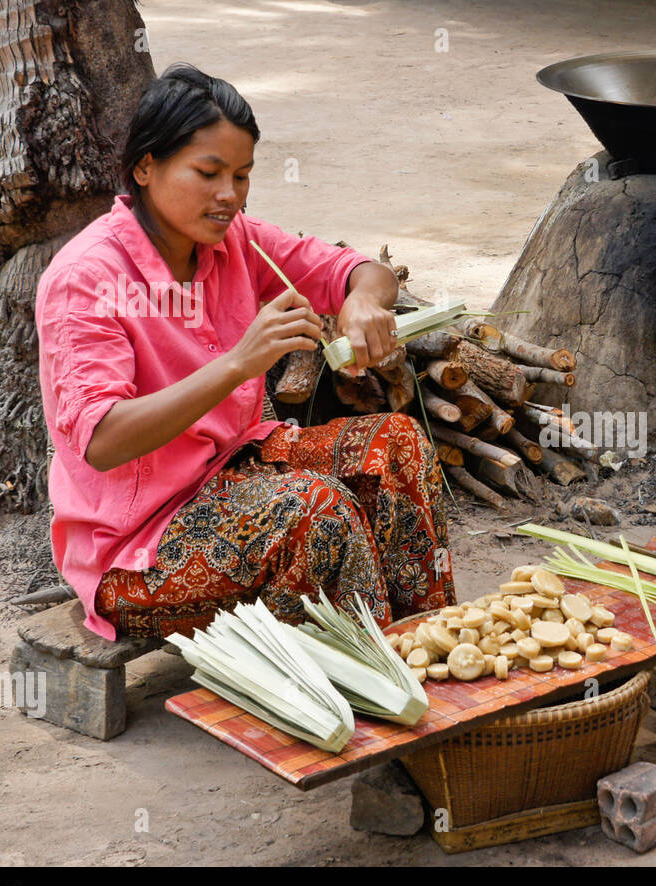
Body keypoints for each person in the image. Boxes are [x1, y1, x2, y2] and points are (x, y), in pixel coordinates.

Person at [35, 63, 455, 642]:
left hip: (236, 468)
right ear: (145, 167)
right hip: (138, 548)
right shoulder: (85, 278)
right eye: (208, 173)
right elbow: (103, 441)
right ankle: (378, 681)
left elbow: (360, 270)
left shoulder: (235, 240)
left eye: (243, 175)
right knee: (316, 511)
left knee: (396, 445)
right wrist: (236, 364)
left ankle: (431, 643)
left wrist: (362, 301)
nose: (229, 195)